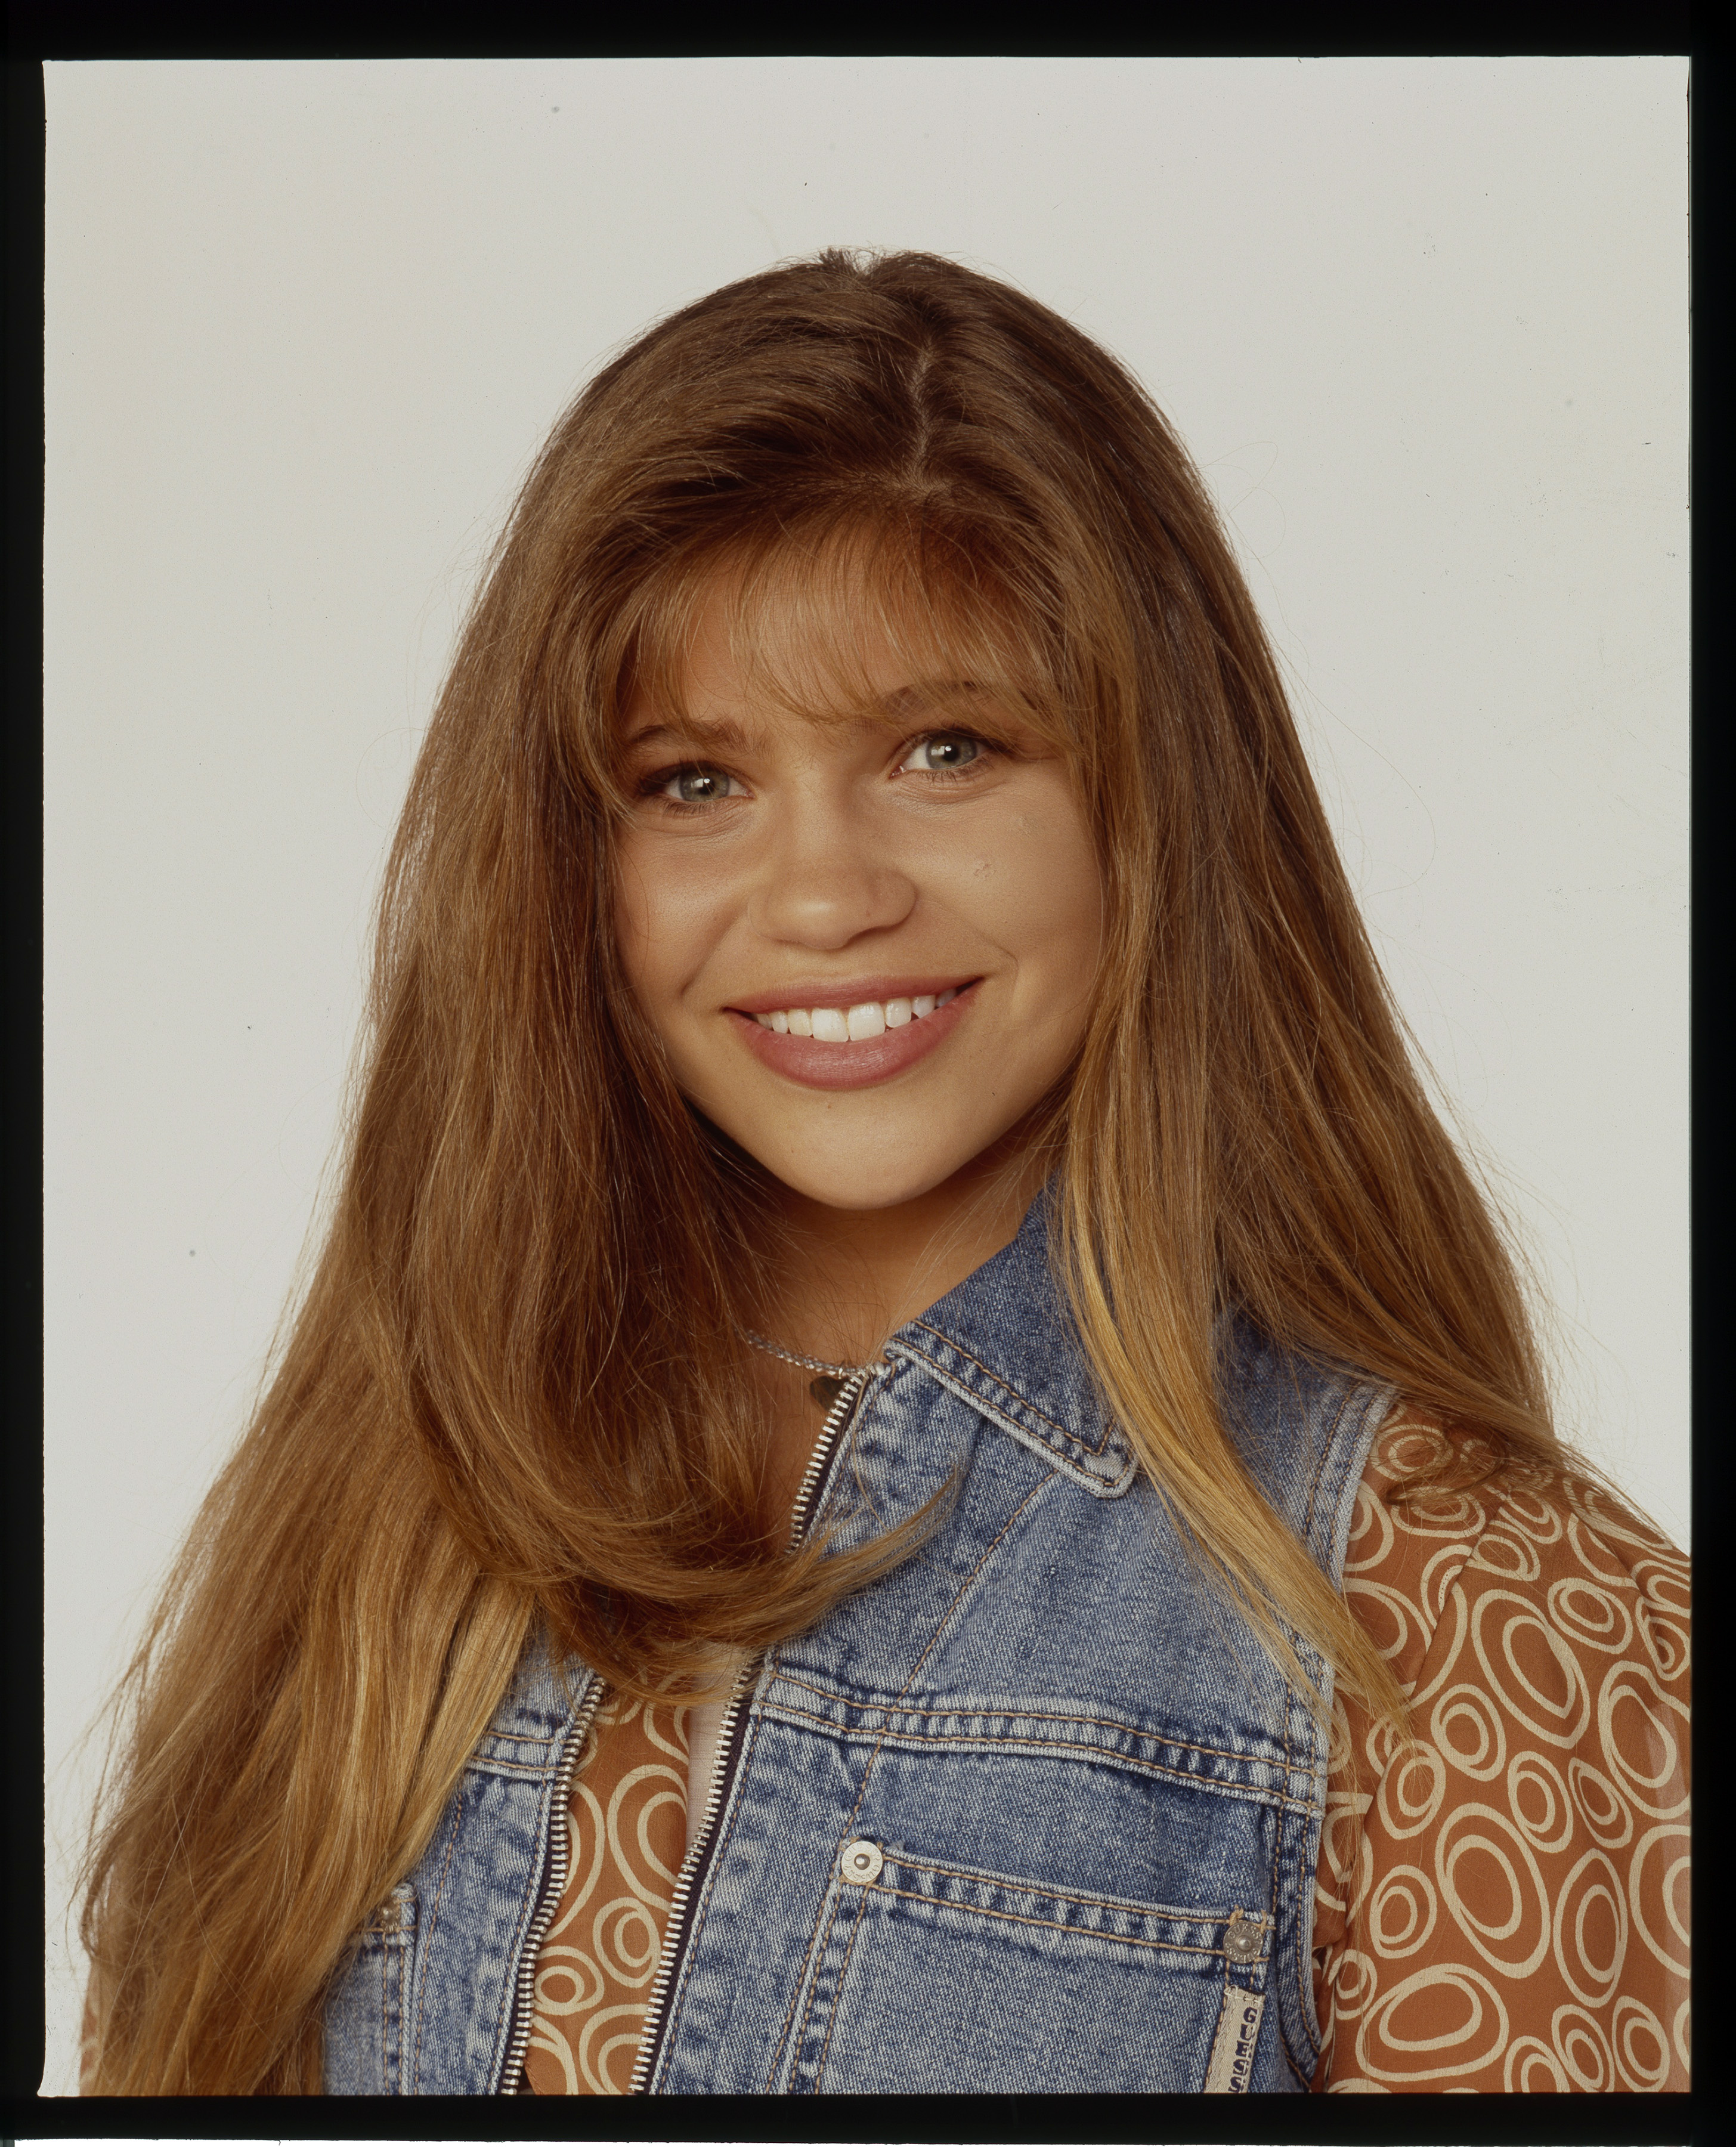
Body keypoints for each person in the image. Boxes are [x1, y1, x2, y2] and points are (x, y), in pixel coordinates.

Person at [78, 249, 1688, 2097]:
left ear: (1155, 803)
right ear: (563, 870)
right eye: (693, 781)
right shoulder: (372, 1537)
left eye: (948, 750)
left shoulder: (1469, 1613)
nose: (828, 895)